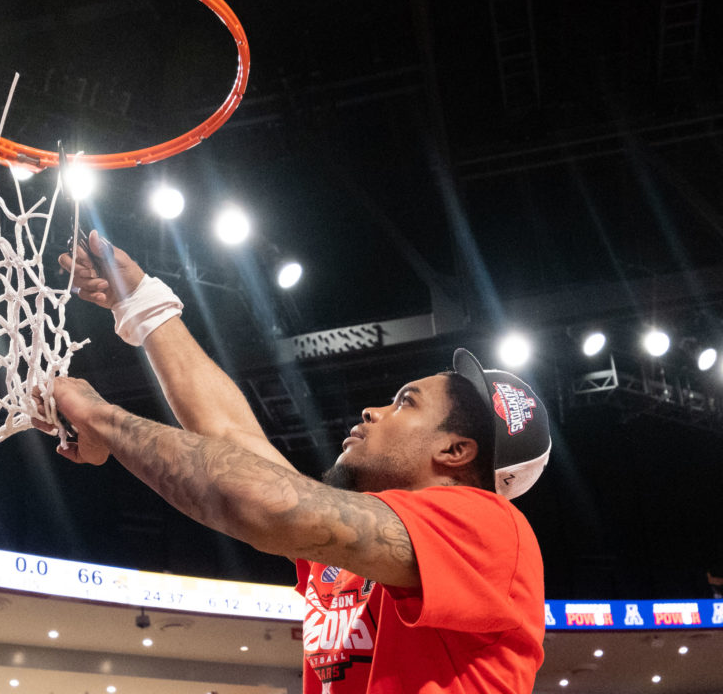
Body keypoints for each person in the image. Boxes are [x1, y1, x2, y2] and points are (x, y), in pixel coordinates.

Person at [36, 231, 553, 694]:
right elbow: (232, 438)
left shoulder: (490, 530)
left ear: (455, 452)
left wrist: (104, 419)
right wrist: (143, 302)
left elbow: (263, 503)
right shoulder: (357, 549)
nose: (373, 409)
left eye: (406, 402)